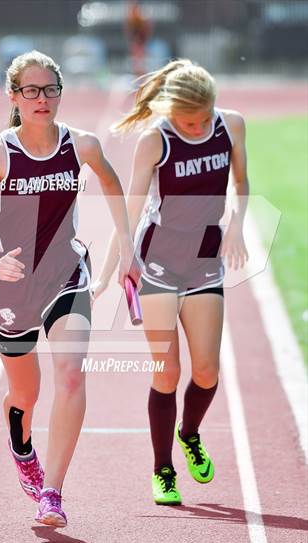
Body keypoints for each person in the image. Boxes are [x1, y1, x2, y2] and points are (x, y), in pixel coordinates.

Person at [0, 50, 140, 526]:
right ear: (14, 96)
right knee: (26, 395)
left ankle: (52, 491)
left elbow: (113, 186)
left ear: (60, 92)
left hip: (67, 275)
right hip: (13, 290)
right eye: (31, 91)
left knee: (73, 375)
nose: (42, 99)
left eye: (50, 90)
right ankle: (23, 449)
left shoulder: (81, 145)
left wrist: (127, 252)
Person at [93, 59, 249, 505]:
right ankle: (163, 469)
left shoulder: (231, 126)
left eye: (203, 119)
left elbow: (242, 183)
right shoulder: (155, 140)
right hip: (158, 264)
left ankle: (190, 433)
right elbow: (131, 209)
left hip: (204, 261)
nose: (197, 127)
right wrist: (110, 272)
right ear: (169, 111)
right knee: (168, 371)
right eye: (187, 121)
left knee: (206, 370)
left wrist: (236, 224)